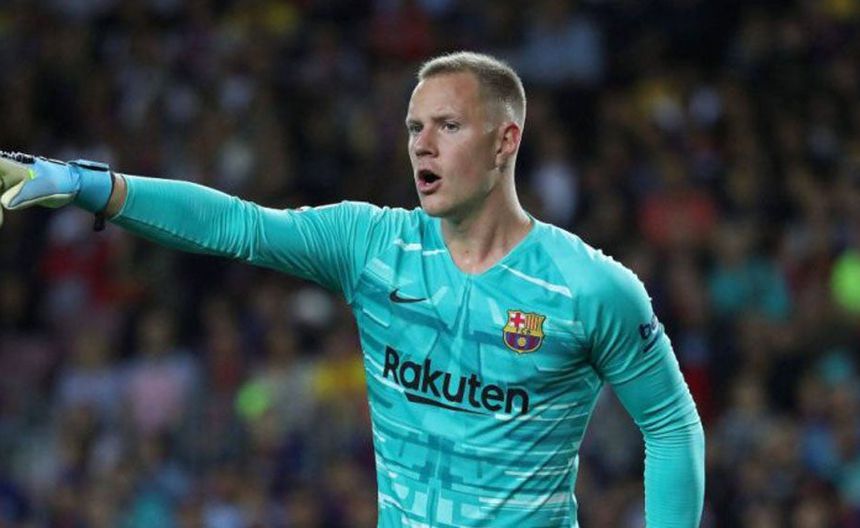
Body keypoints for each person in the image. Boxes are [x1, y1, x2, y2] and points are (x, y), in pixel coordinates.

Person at [0, 52, 704, 527]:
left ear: (505, 141)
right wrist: (85, 184)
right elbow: (239, 225)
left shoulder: (592, 288)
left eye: (448, 126)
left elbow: (672, 426)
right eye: (414, 127)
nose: (422, 144)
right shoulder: (371, 245)